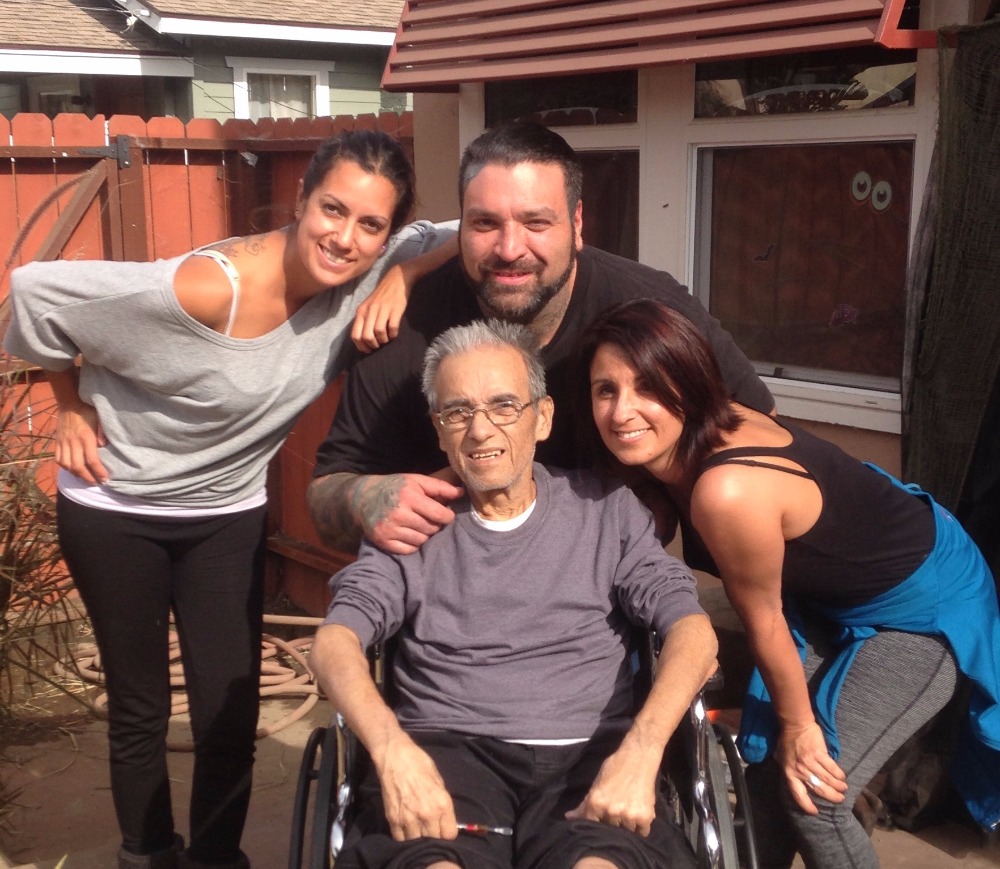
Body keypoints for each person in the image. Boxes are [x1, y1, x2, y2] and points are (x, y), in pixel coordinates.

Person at [2, 131, 458, 869]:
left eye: (371, 225)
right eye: (332, 209)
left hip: (225, 514)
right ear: (302, 197)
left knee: (229, 708)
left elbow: (483, 227)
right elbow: (34, 291)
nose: (345, 238)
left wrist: (402, 274)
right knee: (142, 707)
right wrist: (70, 402)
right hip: (119, 506)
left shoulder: (372, 270)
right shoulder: (204, 288)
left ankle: (216, 859)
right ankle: (148, 854)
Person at [580, 298, 1000, 869]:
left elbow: (765, 620)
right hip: (834, 594)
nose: (622, 410)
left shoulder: (727, 490)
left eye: (648, 386)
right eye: (606, 390)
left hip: (926, 606)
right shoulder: (688, 436)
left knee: (815, 796)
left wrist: (801, 729)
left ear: (689, 385)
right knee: (765, 780)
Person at [309, 319, 718, 869]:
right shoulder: (410, 522)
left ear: (542, 417)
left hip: (591, 754)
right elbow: (333, 643)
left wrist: (644, 751)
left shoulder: (607, 511)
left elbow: (693, 631)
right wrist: (390, 750)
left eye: (504, 406)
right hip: (445, 753)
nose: (480, 431)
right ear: (438, 430)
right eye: (458, 412)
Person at [306, 121, 775, 557]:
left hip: (611, 590)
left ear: (577, 224)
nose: (510, 249)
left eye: (536, 223)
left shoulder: (650, 308)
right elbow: (326, 493)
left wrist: (673, 491)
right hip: (450, 595)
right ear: (461, 226)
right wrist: (363, 498)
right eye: (485, 223)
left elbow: (760, 430)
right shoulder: (402, 329)